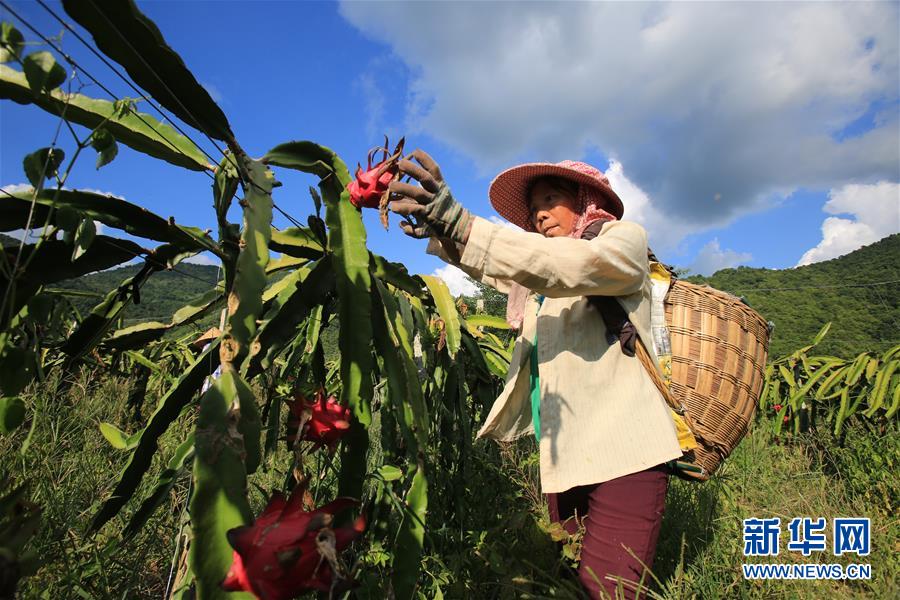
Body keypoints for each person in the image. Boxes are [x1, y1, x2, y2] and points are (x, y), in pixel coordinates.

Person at [388, 150, 683, 599]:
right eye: (533, 209)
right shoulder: (536, 284)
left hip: (628, 452)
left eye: (552, 198)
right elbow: (501, 265)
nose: (540, 214)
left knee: (608, 589)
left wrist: (464, 223)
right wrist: (442, 230)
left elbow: (567, 266)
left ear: (585, 199)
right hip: (564, 454)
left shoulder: (621, 245)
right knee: (565, 577)